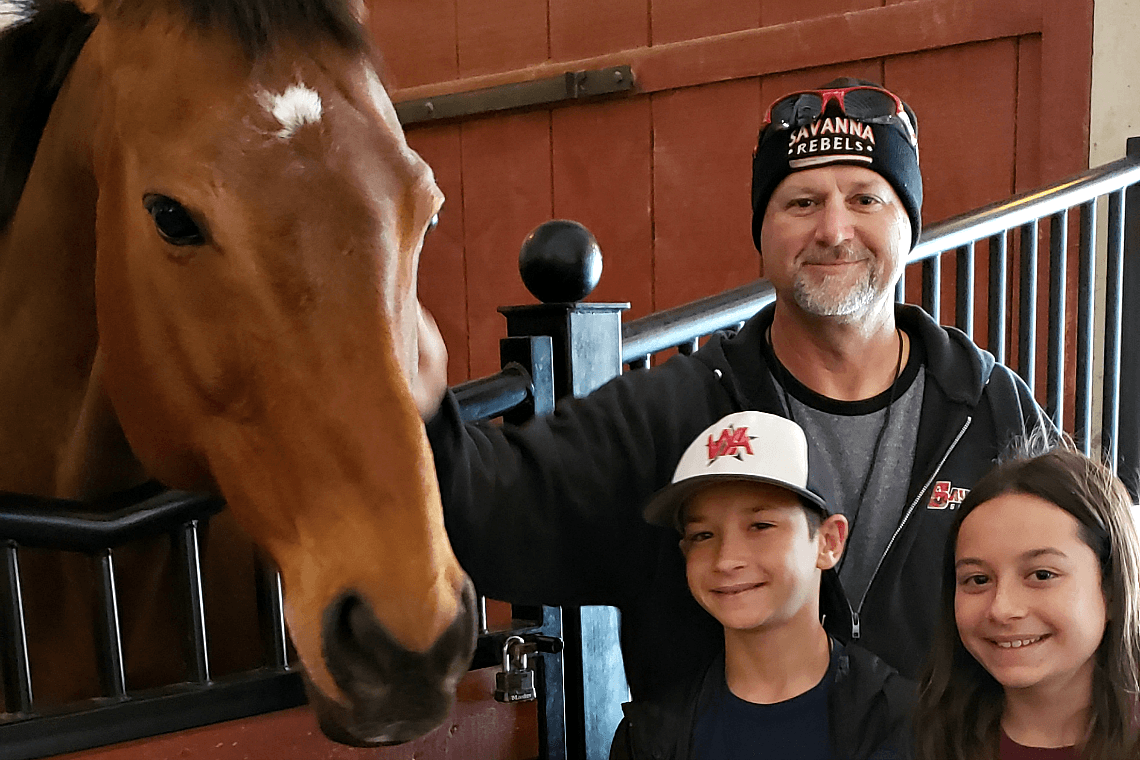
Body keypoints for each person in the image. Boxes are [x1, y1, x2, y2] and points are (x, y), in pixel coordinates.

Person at [415, 78, 1048, 701]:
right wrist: (417, 406)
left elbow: (1082, 591)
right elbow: (487, 506)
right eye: (801, 202)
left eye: (865, 199)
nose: (833, 229)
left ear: (908, 225)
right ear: (762, 234)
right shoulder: (671, 415)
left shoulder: (992, 411)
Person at [610, 410, 913, 760]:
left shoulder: (901, 723)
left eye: (760, 526)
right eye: (703, 535)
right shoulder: (651, 736)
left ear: (829, 541)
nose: (726, 560)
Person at [914, 439, 1140, 759]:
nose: (1002, 609)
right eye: (978, 580)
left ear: (1114, 590)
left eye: (1042, 575)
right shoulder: (912, 738)